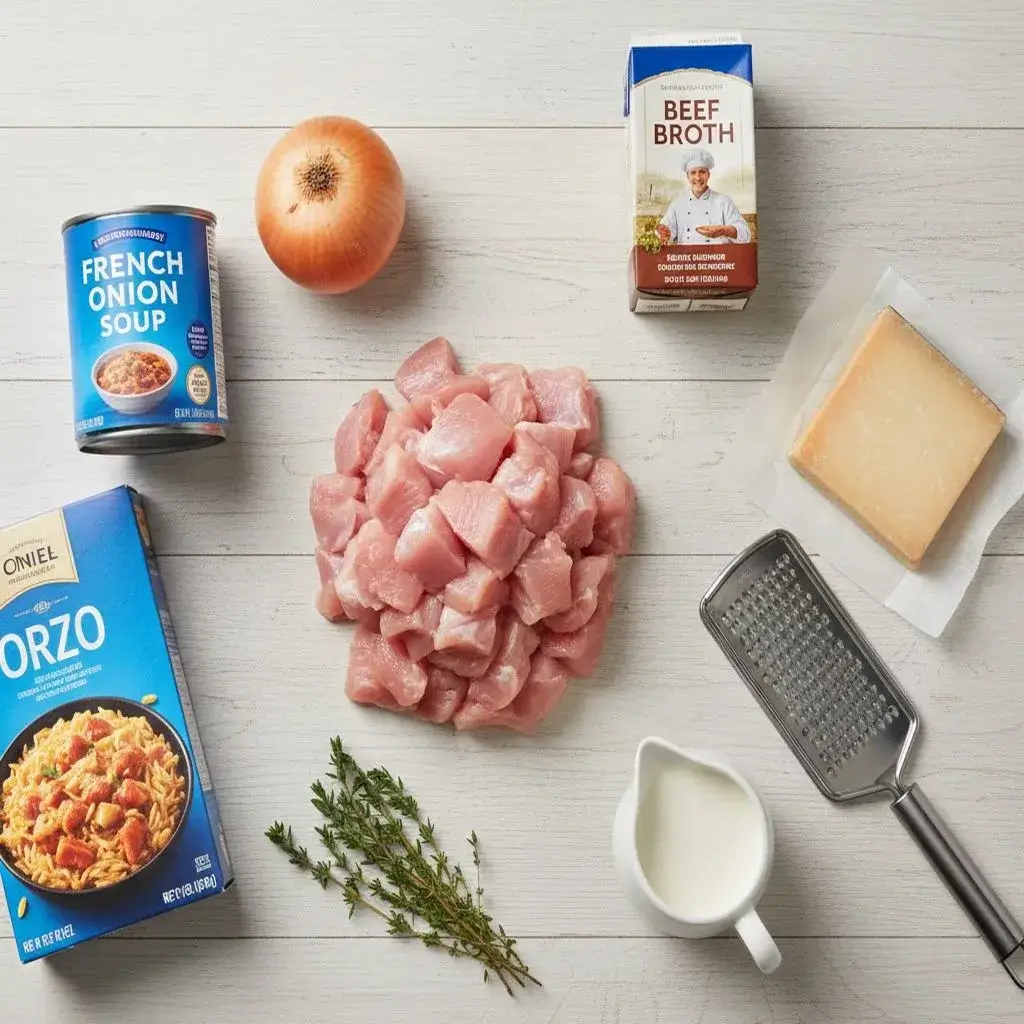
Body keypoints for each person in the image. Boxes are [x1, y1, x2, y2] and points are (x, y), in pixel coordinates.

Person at [655, 149, 751, 245]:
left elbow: (745, 234)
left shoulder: (724, 201)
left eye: (702, 172)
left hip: (719, 254)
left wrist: (723, 230)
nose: (698, 178)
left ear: (708, 175)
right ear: (687, 176)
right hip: (686, 255)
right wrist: (664, 233)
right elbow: (665, 232)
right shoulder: (677, 205)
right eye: (693, 173)